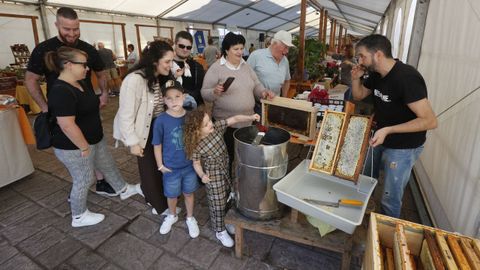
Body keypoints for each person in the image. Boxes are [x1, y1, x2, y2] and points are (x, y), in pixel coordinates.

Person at [25, 7, 116, 196]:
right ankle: (80, 188)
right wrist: (44, 107)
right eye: (67, 29)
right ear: (57, 25)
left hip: (88, 107)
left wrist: (104, 94)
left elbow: (101, 73)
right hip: (64, 110)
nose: (72, 34)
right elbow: (30, 79)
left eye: (76, 29)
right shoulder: (43, 49)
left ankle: (100, 181)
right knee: (74, 149)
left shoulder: (88, 48)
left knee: (94, 142)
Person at [45, 47, 140, 227]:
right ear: (68, 65)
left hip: (95, 138)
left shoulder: (81, 82)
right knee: (84, 178)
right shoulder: (60, 90)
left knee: (107, 164)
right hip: (75, 147)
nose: (87, 68)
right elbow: (66, 125)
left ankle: (123, 188)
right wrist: (84, 148)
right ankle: (79, 216)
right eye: (83, 65)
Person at [351, 34, 437, 218]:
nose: (360, 61)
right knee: (365, 180)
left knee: (391, 197)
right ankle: (363, 217)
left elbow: (430, 121)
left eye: (362, 56)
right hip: (379, 136)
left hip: (404, 146)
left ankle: (385, 235)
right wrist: (355, 78)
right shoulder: (375, 75)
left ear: (378, 55)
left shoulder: (407, 78)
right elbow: (358, 96)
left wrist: (389, 129)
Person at [184, 105, 259, 247]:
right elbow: (196, 163)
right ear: (196, 130)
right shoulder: (196, 145)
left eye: (209, 121)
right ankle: (220, 230)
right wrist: (201, 175)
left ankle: (227, 220)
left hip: (226, 170)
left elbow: (235, 119)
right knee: (217, 203)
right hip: (213, 176)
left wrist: (250, 117)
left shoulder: (217, 128)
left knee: (228, 197)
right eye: (206, 125)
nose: (211, 124)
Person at [113, 40, 173, 216]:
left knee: (158, 166)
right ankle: (159, 206)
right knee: (149, 170)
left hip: (156, 126)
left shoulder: (155, 76)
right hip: (143, 131)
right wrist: (133, 142)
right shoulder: (134, 80)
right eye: (167, 61)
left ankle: (155, 199)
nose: (170, 65)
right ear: (155, 61)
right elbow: (126, 114)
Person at [201, 32, 275, 176]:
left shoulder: (245, 66)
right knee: (227, 157)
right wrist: (214, 92)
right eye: (236, 49)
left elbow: (256, 85)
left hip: (248, 122)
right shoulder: (216, 68)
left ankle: (244, 183)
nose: (240, 52)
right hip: (226, 124)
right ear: (227, 50)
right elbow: (204, 92)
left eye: (242, 48)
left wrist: (263, 92)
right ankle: (227, 186)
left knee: (247, 156)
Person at [152, 81, 200, 238]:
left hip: (189, 166)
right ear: (164, 100)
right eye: (169, 98)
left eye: (177, 97)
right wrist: (160, 165)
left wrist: (196, 161)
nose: (174, 101)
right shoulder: (161, 120)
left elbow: (196, 139)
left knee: (188, 193)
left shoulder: (190, 117)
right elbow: (157, 144)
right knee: (171, 195)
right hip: (170, 167)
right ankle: (172, 215)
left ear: (184, 97)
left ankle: (190, 217)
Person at [247, 30, 294, 115]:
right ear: (275, 44)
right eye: (285, 47)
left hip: (276, 104)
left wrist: (284, 99)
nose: (287, 51)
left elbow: (287, 81)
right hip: (258, 106)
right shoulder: (256, 56)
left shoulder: (285, 60)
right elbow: (245, 78)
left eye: (288, 48)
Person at [172, 31, 205, 105]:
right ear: (175, 45)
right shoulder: (167, 66)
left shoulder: (197, 66)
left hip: (193, 110)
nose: (185, 49)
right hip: (173, 110)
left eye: (188, 47)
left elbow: (200, 92)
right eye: (181, 46)